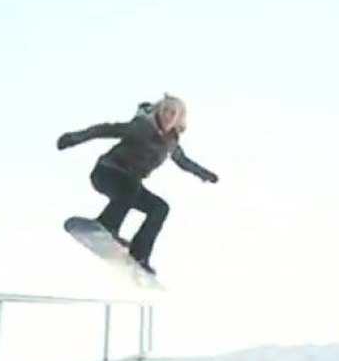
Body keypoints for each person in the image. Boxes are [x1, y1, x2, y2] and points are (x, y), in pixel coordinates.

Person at [56, 94, 219, 275]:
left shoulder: (171, 143)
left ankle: (140, 256)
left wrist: (204, 174)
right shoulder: (141, 127)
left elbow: (183, 162)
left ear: (179, 119)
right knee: (131, 187)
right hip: (107, 173)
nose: (168, 115)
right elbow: (106, 129)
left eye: (173, 113)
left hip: (129, 184)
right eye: (165, 110)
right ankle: (106, 225)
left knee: (160, 208)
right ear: (158, 110)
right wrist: (74, 138)